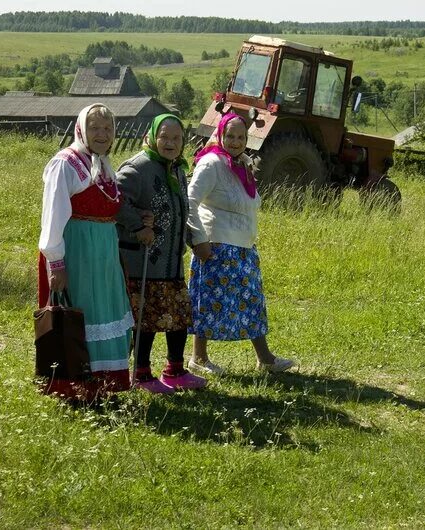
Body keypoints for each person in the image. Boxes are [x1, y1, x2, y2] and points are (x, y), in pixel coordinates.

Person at [187, 112, 295, 375]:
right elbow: (189, 201)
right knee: (209, 302)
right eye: (230, 136)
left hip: (244, 248)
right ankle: (198, 358)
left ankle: (265, 359)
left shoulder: (242, 163)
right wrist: (199, 240)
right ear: (220, 135)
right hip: (216, 247)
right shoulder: (211, 163)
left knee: (252, 302)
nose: (235, 141)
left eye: (240, 136)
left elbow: (250, 203)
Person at [38, 103, 134, 401]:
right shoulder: (66, 163)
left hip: (103, 254)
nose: (102, 134)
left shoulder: (103, 163)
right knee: (80, 313)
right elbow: (53, 215)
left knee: (102, 310)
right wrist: (56, 264)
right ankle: (75, 385)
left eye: (108, 128)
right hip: (77, 253)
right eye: (95, 127)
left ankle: (104, 385)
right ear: (81, 129)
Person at [116, 113, 206, 393]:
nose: (170, 142)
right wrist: (136, 224)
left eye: (176, 138)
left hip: (171, 262)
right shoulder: (137, 168)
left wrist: (194, 239)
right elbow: (114, 199)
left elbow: (183, 210)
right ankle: (142, 375)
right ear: (152, 137)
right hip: (145, 261)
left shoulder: (177, 168)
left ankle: (175, 371)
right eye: (164, 137)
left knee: (178, 316)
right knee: (147, 320)